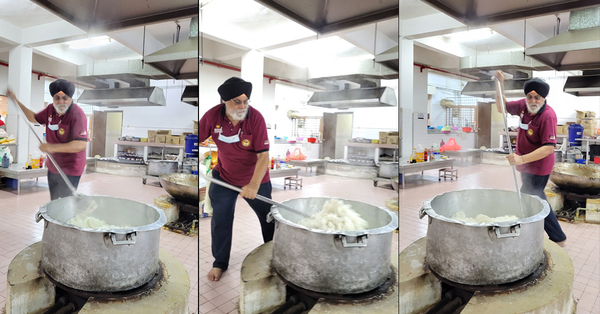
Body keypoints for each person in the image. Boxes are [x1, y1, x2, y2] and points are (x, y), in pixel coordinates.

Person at [199, 77, 273, 281]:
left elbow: (263, 156)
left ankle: (274, 256)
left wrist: (254, 184)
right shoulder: (212, 116)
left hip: (255, 178)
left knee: (269, 219)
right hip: (224, 176)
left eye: (245, 101)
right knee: (221, 220)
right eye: (237, 101)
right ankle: (220, 262)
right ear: (224, 101)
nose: (243, 106)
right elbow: (195, 138)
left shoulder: (255, 118)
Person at [495, 70, 567, 246]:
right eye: (530, 97)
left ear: (544, 98)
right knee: (532, 197)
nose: (533, 101)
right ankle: (538, 231)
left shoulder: (548, 115)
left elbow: (549, 148)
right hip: (526, 165)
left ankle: (557, 237)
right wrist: (499, 84)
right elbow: (501, 107)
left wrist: (521, 159)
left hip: (539, 166)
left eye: (537, 97)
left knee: (533, 196)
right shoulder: (522, 106)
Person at [7, 79, 88, 200]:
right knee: (55, 200)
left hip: (71, 167)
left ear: (71, 98)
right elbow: (33, 118)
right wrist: (16, 101)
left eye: (64, 98)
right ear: (53, 99)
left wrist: (52, 147)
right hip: (54, 165)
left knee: (65, 202)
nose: (61, 102)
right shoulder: (50, 110)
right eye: (57, 98)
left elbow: (81, 144)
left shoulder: (77, 113)